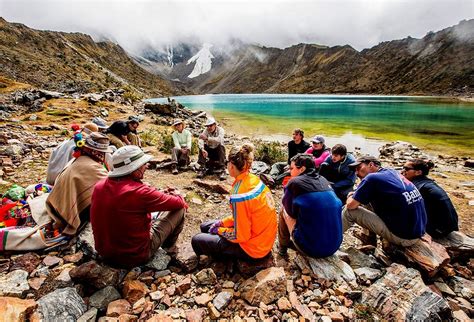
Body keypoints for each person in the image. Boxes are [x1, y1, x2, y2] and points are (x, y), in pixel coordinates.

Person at [91, 145, 188, 268]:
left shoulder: (99, 186)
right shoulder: (140, 192)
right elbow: (179, 203)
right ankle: (168, 249)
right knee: (180, 209)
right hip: (135, 256)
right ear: (134, 169)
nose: (146, 166)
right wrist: (177, 194)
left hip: (105, 254)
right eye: (143, 164)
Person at [192, 144, 277, 260]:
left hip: (254, 249)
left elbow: (240, 236)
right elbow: (244, 216)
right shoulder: (253, 179)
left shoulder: (239, 194)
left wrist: (220, 230)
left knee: (197, 240)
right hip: (263, 237)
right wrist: (222, 222)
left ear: (231, 166)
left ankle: (216, 262)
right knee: (205, 226)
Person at [343, 156, 427, 246]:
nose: (356, 173)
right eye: (355, 170)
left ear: (371, 165)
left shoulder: (371, 178)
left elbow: (350, 205)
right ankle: (368, 237)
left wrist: (350, 195)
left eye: (359, 168)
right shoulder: (392, 172)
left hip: (404, 237)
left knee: (349, 212)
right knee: (363, 199)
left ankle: (328, 238)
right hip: (418, 230)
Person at [45, 132, 112, 235]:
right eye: (101, 152)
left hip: (59, 208)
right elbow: (111, 187)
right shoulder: (93, 167)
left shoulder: (78, 160)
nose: (102, 155)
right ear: (94, 152)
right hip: (67, 214)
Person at [278, 154, 343, 258]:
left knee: (283, 209)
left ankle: (282, 249)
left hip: (311, 250)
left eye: (292, 168)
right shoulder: (323, 180)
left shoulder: (294, 182)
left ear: (302, 169)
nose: (290, 171)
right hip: (334, 246)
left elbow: (290, 213)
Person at [402, 159, 458, 238]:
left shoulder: (418, 187)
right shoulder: (426, 183)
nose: (402, 171)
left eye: (406, 169)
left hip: (438, 230)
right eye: (403, 168)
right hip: (448, 226)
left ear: (418, 172)